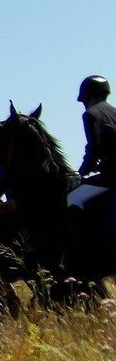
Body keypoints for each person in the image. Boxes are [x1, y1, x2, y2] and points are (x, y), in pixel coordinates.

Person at [65, 75, 116, 274]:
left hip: (112, 175)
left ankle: (82, 253)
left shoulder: (91, 114)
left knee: (73, 197)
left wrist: (83, 169)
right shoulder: (114, 112)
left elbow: (94, 146)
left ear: (86, 95)